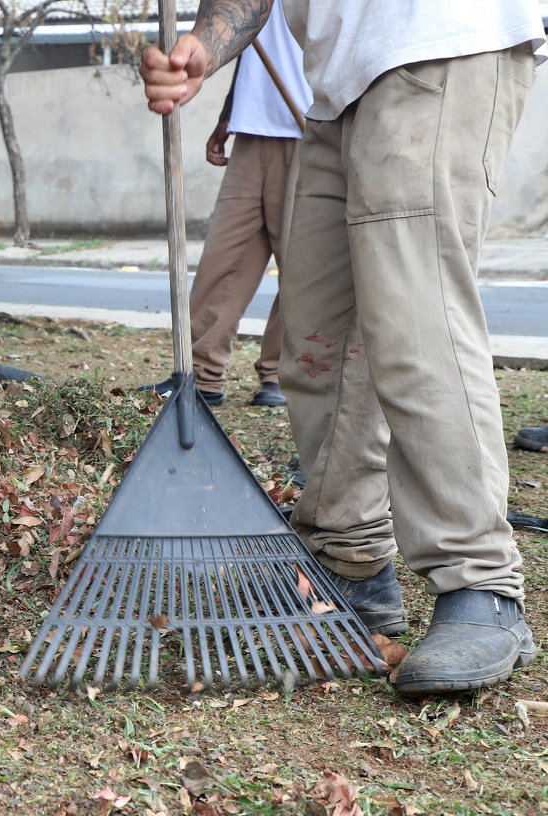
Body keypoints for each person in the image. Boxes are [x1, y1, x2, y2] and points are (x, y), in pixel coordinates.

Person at [140, 1, 545, 694]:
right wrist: (202, 46)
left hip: (437, 40)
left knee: (417, 321)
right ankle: (348, 561)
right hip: (337, 83)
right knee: (319, 341)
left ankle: (481, 584)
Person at [140, 0, 309, 408]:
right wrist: (228, 116)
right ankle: (201, 373)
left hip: (308, 128)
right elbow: (255, 42)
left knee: (302, 268)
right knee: (224, 259)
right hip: (252, 130)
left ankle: (280, 373)